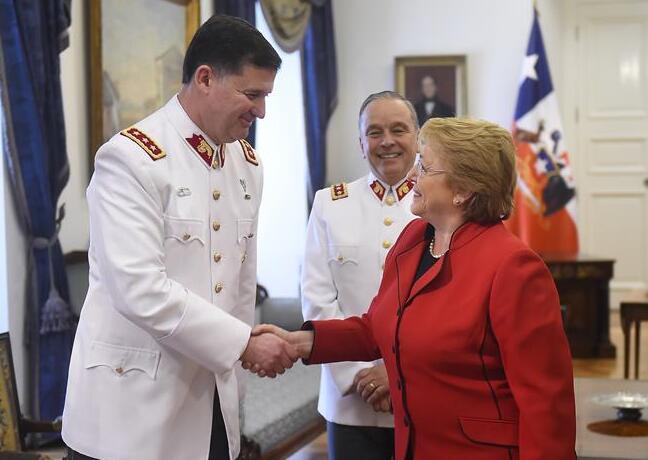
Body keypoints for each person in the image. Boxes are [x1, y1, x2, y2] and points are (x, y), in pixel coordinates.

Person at [253, 118, 577, 459]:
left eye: (424, 166)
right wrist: (299, 342)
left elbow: (546, 403)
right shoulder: (413, 241)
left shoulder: (513, 267)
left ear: (463, 190)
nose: (411, 177)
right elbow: (376, 328)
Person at [62, 15, 299, 460]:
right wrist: (244, 344)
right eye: (252, 94)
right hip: (129, 414)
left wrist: (238, 366)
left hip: (210, 400)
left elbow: (241, 285)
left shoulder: (248, 164)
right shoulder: (131, 158)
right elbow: (139, 289)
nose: (261, 111)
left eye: (265, 96)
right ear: (205, 78)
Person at [302, 91, 418, 459]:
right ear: (360, 142)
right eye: (375, 132)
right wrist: (358, 376)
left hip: (423, 395)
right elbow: (317, 300)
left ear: (417, 136)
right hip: (349, 402)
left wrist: (400, 376)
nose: (387, 141)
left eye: (398, 130)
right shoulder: (329, 203)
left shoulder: (441, 204)